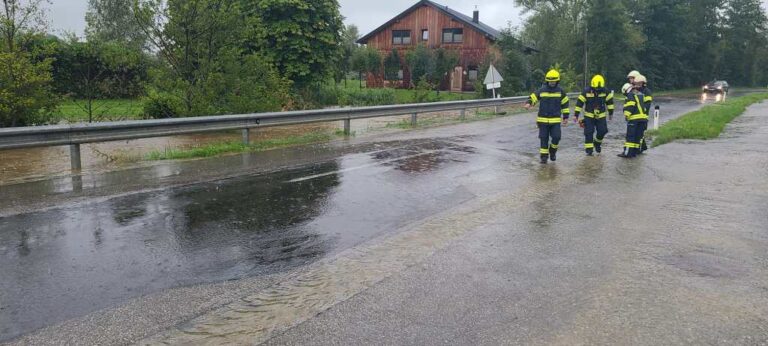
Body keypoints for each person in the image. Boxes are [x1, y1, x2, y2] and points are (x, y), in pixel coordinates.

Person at [525, 69, 571, 164]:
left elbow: (565, 104)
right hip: (543, 120)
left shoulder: (560, 91)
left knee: (556, 137)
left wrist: (566, 117)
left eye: (553, 81)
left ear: (557, 81)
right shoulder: (542, 90)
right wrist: (529, 103)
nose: (552, 83)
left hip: (555, 121)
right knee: (543, 138)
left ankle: (553, 152)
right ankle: (544, 157)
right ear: (547, 81)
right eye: (550, 81)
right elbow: (533, 97)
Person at [573, 74, 614, 156]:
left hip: (601, 116)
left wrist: (611, 113)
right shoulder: (586, 91)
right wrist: (576, 115)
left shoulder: (605, 91)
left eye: (599, 89)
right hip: (589, 116)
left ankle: (597, 143)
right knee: (588, 132)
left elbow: (610, 103)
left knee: (603, 131)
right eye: (596, 88)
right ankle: (589, 149)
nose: (597, 90)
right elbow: (579, 103)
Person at [619, 83, 649, 158]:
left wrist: (626, 115)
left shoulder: (630, 95)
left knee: (630, 137)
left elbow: (630, 106)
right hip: (643, 119)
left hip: (634, 119)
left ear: (626, 90)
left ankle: (627, 153)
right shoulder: (641, 94)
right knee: (637, 137)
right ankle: (635, 152)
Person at [633, 74, 653, 153]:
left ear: (643, 83)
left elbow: (647, 104)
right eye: (637, 83)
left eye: (639, 83)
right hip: (635, 115)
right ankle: (642, 147)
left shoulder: (647, 92)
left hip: (643, 116)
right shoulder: (635, 91)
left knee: (640, 133)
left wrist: (642, 111)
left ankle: (639, 149)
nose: (638, 85)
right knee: (636, 132)